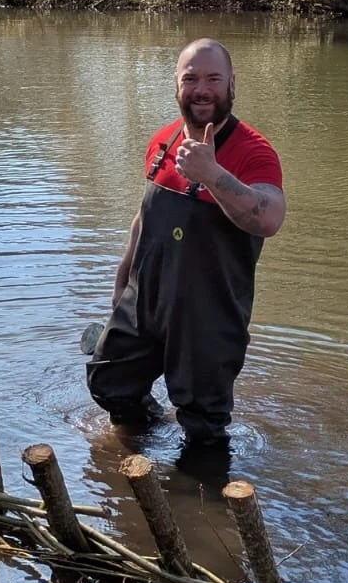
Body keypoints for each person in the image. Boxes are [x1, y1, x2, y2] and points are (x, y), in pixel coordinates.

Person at [86, 38, 285, 451]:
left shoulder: (254, 151)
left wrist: (212, 173)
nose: (201, 89)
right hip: (145, 301)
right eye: (190, 78)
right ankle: (140, 451)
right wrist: (121, 287)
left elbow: (269, 219)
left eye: (213, 78)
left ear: (233, 84)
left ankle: (203, 500)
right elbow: (143, 219)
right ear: (176, 85)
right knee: (109, 382)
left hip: (209, 313)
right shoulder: (161, 141)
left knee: (203, 423)